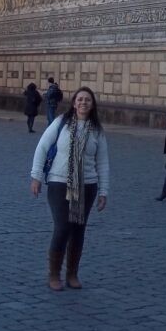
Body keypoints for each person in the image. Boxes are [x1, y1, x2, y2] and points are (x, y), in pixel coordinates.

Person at [30, 86, 110, 291]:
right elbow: (42, 148)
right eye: (80, 99)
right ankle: (54, 274)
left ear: (92, 105)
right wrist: (36, 176)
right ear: (74, 103)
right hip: (59, 182)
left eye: (88, 100)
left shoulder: (97, 131)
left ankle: (72, 274)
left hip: (87, 185)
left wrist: (104, 191)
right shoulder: (61, 123)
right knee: (63, 227)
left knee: (78, 230)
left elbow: (103, 163)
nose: (83, 103)